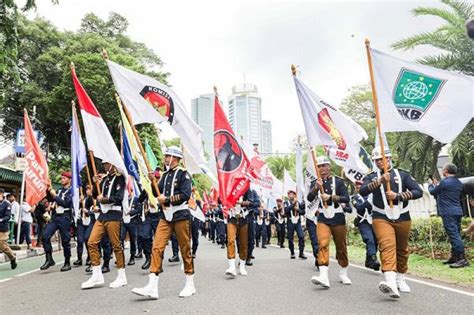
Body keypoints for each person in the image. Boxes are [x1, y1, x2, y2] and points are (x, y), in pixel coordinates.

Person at [132, 146, 195, 299]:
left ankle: (190, 283)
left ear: (175, 158)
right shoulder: (165, 175)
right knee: (157, 247)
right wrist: (153, 181)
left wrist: (166, 200)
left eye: (168, 156)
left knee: (185, 249)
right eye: (166, 155)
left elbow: (186, 195)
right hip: (165, 216)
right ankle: (152, 286)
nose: (165, 158)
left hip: (180, 214)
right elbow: (156, 193)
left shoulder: (184, 174)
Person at [360, 147, 422, 299]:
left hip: (402, 216)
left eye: (383, 158)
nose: (381, 162)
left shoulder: (402, 174)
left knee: (402, 249)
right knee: (387, 246)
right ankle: (390, 283)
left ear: (389, 158)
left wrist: (398, 195)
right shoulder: (372, 176)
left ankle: (400, 278)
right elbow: (362, 191)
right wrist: (380, 181)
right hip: (381, 217)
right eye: (377, 160)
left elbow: (418, 191)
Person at [81, 162, 127, 289]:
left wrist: (104, 199)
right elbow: (97, 195)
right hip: (103, 215)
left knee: (116, 245)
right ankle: (97, 275)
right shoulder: (105, 179)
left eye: (106, 163)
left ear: (112, 164)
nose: (104, 166)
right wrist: (95, 183)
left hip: (114, 214)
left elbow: (119, 197)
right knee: (91, 242)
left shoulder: (120, 178)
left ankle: (122, 275)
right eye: (104, 164)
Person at [307, 156, 351, 288]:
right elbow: (310, 198)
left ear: (329, 166)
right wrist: (316, 187)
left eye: (324, 166)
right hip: (323, 218)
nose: (322, 169)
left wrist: (331, 197)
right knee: (323, 243)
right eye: (319, 166)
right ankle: (323, 275)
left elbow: (346, 199)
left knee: (341, 246)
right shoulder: (316, 182)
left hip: (337, 217)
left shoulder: (338, 181)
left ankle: (343, 271)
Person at [429, 163, 469, 268]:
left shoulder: (444, 183)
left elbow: (432, 192)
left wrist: (431, 184)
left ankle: (462, 259)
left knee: (453, 235)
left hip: (448, 212)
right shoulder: (458, 183)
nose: (442, 171)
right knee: (456, 234)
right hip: (457, 211)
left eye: (443, 169)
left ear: (446, 171)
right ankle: (455, 257)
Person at [41, 171, 73, 272]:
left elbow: (66, 203)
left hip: (65, 217)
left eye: (64, 178)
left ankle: (67, 262)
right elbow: (50, 198)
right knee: (45, 235)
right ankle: (49, 258)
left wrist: (55, 196)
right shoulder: (59, 190)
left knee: (65, 240)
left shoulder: (73, 191)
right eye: (62, 178)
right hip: (55, 217)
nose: (62, 179)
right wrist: (49, 189)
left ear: (69, 180)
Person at [351, 180, 380, 271]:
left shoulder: (371, 196)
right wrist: (369, 202)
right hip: (363, 222)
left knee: (375, 241)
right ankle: (374, 259)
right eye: (357, 187)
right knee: (369, 239)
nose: (358, 188)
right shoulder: (355, 198)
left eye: (360, 186)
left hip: (374, 220)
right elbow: (359, 207)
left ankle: (369, 261)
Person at [225, 199, 250, 278]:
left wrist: (241, 202)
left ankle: (242, 266)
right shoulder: (229, 188)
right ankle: (232, 267)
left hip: (243, 219)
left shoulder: (247, 189)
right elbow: (220, 200)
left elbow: (255, 203)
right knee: (230, 240)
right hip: (232, 218)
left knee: (243, 243)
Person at [285, 190, 306, 260]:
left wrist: (298, 209)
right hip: (290, 221)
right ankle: (292, 252)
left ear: (294, 195)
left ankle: (301, 252)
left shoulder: (298, 203)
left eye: (292, 194)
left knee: (301, 236)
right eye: (290, 194)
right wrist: (292, 205)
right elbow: (286, 210)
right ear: (288, 195)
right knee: (290, 238)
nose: (291, 195)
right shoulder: (286, 203)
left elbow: (303, 212)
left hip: (298, 222)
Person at [0, 188, 17, 269]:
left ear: (2, 194)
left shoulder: (6, 204)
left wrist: (1, 219)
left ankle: (12, 257)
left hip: (3, 228)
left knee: (3, 245)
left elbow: (8, 216)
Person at [243, 188, 260, 266]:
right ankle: (242, 257)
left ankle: (248, 257)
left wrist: (249, 203)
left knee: (251, 238)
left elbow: (257, 203)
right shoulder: (238, 190)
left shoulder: (253, 192)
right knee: (240, 239)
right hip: (239, 216)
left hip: (250, 216)